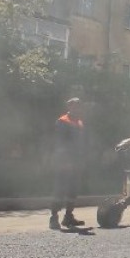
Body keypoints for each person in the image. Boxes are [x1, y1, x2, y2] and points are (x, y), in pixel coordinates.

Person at [49, 97, 88, 230]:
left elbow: (81, 145)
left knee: (73, 190)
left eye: (79, 106)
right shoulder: (62, 121)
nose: (77, 108)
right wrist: (65, 161)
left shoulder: (79, 123)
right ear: (69, 107)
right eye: (74, 106)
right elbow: (60, 143)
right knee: (60, 189)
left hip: (76, 162)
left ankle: (68, 217)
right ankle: (53, 218)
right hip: (64, 162)